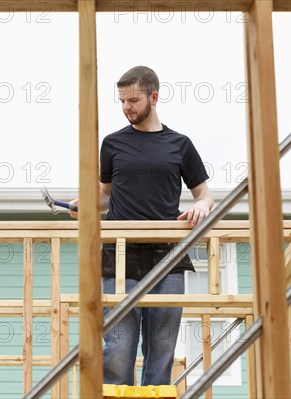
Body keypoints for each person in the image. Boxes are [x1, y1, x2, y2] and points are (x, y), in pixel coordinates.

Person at [69, 65, 214, 386]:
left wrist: (202, 205)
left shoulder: (180, 144)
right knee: (119, 345)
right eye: (121, 101)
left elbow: (203, 194)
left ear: (154, 97)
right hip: (119, 256)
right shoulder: (112, 144)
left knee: (161, 345)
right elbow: (105, 195)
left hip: (167, 257)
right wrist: (87, 205)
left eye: (133, 100)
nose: (126, 108)